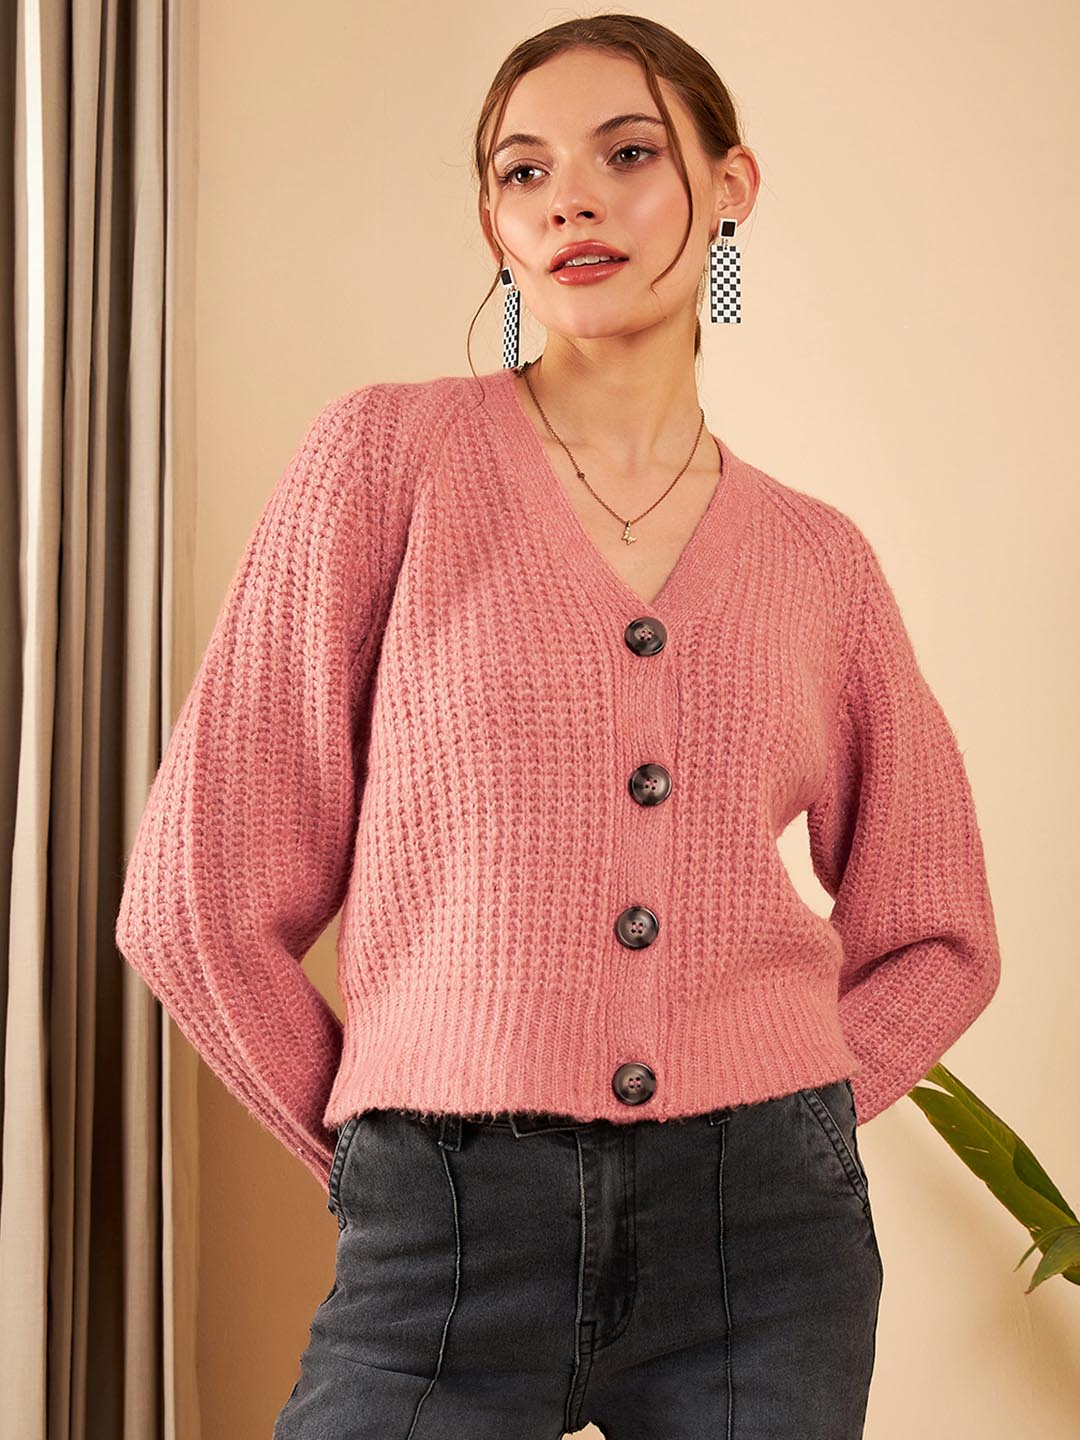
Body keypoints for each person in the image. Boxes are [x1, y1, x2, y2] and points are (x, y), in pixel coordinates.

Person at [115, 14, 1002, 1440]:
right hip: (444, 1229)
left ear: (731, 187)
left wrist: (807, 1112)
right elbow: (193, 900)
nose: (569, 201)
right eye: (523, 173)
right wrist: (378, 1155)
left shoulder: (816, 558)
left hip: (766, 1248)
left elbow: (938, 928)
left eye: (627, 155)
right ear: (495, 224)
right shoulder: (384, 461)